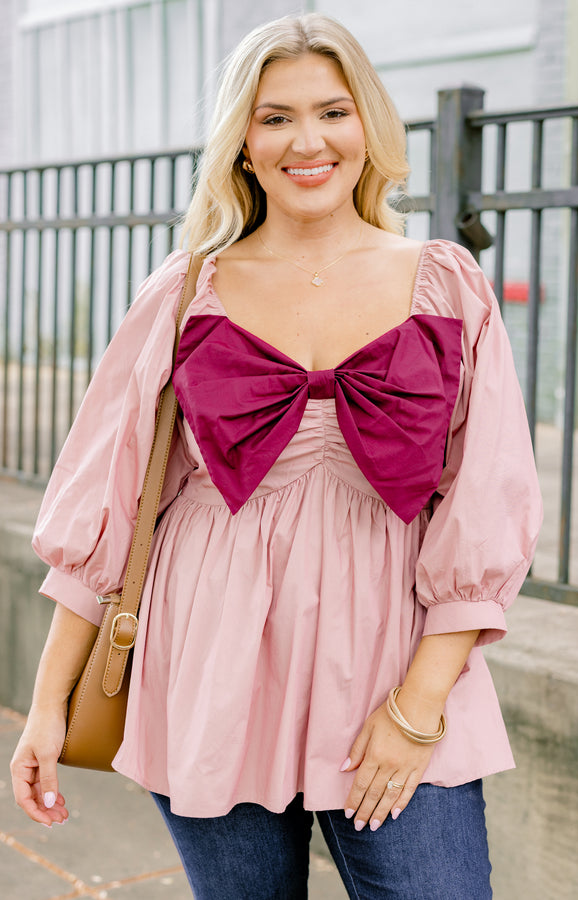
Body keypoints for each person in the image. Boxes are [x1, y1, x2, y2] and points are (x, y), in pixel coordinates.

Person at [11, 13, 543, 899]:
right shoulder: (184, 293)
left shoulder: (448, 283)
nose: (309, 141)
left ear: (368, 127)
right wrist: (46, 709)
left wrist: (415, 712)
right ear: (242, 145)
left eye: (333, 112)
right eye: (275, 117)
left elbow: (486, 502)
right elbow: (101, 511)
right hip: (210, 659)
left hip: (392, 655)